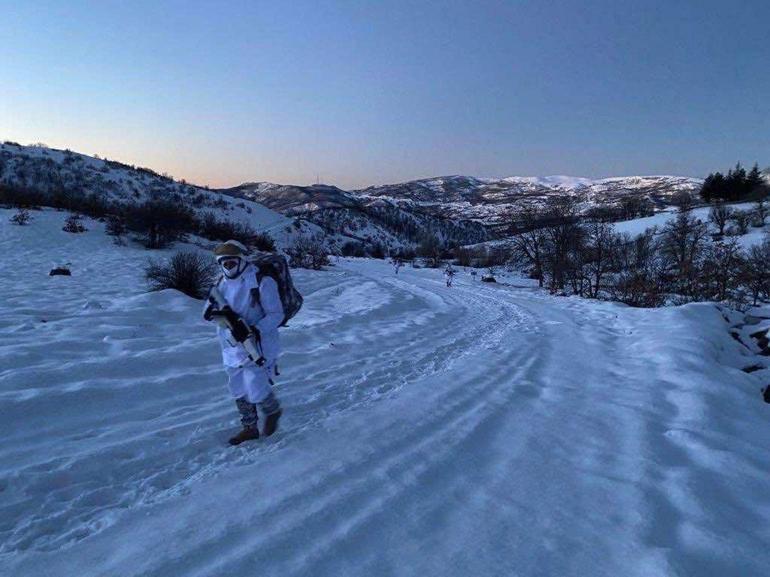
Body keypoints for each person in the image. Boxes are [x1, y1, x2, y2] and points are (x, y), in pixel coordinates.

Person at [204, 240, 283, 445]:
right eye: (224, 263)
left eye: (232, 263)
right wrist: (217, 315)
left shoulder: (262, 281)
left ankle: (272, 410)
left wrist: (255, 330)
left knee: (255, 384)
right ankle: (249, 428)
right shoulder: (220, 283)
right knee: (237, 387)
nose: (228, 267)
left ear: (241, 260)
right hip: (231, 346)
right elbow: (208, 308)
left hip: (258, 345)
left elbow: (276, 314)